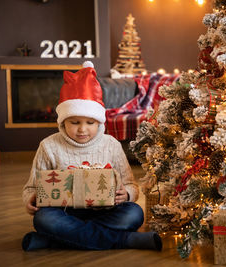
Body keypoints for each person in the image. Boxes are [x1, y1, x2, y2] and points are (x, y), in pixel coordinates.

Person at [21, 61, 162, 251]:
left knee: (134, 213)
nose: (82, 129)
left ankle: (54, 241)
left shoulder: (111, 145)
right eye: (75, 122)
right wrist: (31, 198)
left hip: (105, 211)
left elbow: (131, 186)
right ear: (63, 122)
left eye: (89, 122)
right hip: (65, 212)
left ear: (100, 123)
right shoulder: (49, 146)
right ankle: (124, 240)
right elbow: (31, 187)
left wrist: (126, 194)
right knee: (44, 218)